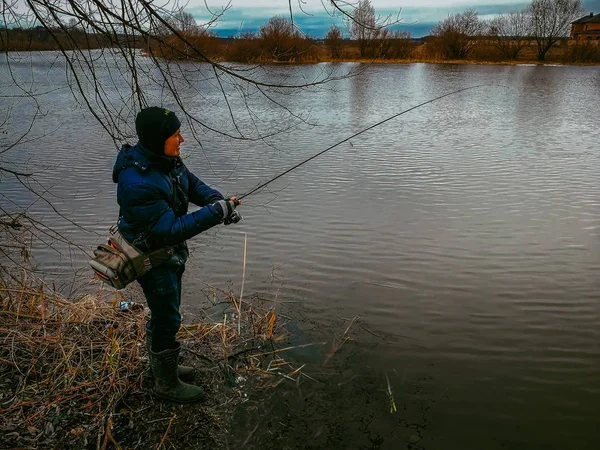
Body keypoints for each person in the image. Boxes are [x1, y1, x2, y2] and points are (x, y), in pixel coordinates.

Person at [112, 106, 241, 403]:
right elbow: (168, 231)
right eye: (175, 134)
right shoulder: (138, 182)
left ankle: (162, 366)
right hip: (152, 260)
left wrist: (217, 202)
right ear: (158, 139)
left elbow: (190, 183)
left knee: (164, 314)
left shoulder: (165, 160)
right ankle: (165, 384)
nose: (182, 139)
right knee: (168, 317)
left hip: (167, 254)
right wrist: (213, 214)